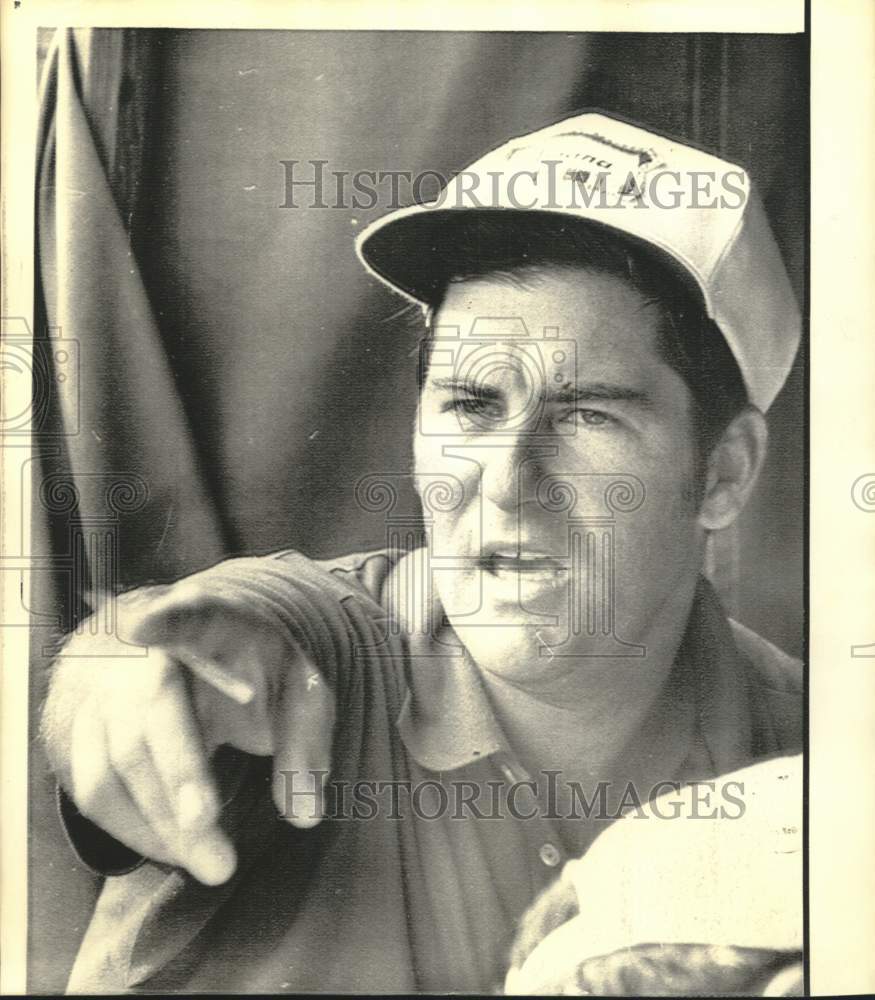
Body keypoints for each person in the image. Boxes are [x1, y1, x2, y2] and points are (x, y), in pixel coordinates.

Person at [41, 112, 803, 994]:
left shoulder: (813, 752)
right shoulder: (312, 657)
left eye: (588, 414)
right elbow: (181, 642)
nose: (507, 481)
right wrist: (127, 670)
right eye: (471, 404)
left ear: (724, 472)